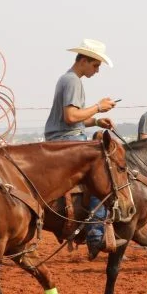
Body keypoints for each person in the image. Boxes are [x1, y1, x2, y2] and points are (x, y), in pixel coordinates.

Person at [43, 38, 119, 259]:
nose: (97, 71)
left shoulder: (67, 79)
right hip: (66, 140)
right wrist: (98, 107)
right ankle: (95, 234)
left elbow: (74, 117)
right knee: (103, 173)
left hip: (64, 137)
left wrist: (96, 121)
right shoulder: (73, 81)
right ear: (83, 61)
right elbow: (70, 117)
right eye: (95, 65)